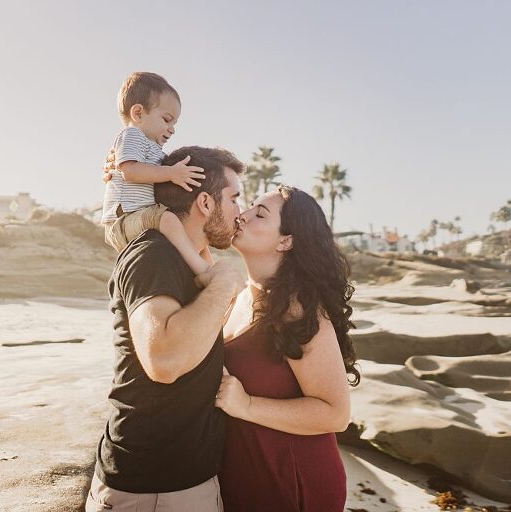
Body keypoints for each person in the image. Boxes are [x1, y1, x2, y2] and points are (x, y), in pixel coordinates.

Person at [86, 146, 245, 512]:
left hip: (180, 482)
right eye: (234, 198)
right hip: (153, 489)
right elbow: (164, 358)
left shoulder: (188, 261)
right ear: (205, 202)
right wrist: (222, 284)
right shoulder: (154, 254)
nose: (241, 211)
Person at [216, 185, 360, 512]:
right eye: (249, 206)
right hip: (244, 474)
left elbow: (336, 414)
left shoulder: (297, 308)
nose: (243, 215)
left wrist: (248, 405)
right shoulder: (238, 296)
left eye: (260, 214)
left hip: (292, 481)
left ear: (286, 240)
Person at [100, 71, 212, 275]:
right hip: (122, 220)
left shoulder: (153, 150)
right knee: (169, 220)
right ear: (138, 114)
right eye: (167, 120)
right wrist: (171, 173)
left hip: (141, 217)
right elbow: (130, 171)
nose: (172, 129)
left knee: (189, 230)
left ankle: (207, 267)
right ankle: (201, 270)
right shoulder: (132, 135)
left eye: (174, 124)